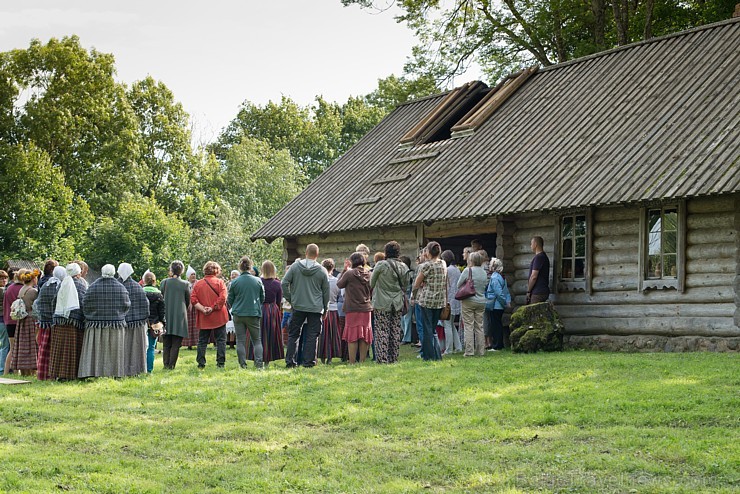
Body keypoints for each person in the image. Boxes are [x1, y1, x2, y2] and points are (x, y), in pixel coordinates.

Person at [78, 264, 131, 378]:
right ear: (113, 273)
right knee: (113, 352)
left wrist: (90, 316)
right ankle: (115, 372)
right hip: (115, 324)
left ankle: (93, 372)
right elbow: (126, 305)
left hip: (95, 324)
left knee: (96, 352)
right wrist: (120, 316)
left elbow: (85, 303)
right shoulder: (121, 287)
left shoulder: (92, 286)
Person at [282, 244, 330, 368]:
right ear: (317, 255)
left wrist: (291, 299)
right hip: (315, 307)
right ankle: (309, 362)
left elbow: (284, 283)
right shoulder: (322, 270)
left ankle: (290, 362)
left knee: (293, 334)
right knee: (312, 336)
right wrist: (326, 308)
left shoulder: (295, 267)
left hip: (298, 306)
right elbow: (326, 291)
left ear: (306, 252)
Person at [370, 241, 409, 364]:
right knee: (395, 330)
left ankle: (382, 358)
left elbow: (371, 283)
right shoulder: (404, 267)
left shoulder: (381, 265)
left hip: (381, 302)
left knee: (382, 330)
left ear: (386, 252)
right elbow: (406, 285)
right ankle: (393, 357)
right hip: (397, 301)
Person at [49, 263, 87, 380]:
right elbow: (83, 303)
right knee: (72, 350)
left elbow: (54, 302)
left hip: (59, 322)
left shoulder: (62, 284)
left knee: (59, 350)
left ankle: (57, 374)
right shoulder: (81, 285)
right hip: (74, 323)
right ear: (78, 273)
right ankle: (72, 375)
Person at [191, 261, 230, 369]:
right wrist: (213, 307)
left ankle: (201, 363)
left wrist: (203, 309)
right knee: (221, 340)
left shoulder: (198, 284)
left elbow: (193, 300)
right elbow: (223, 298)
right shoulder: (220, 282)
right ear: (216, 270)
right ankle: (220, 363)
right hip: (218, 316)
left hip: (204, 317)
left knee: (202, 341)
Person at [228, 256, 264, 369]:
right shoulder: (257, 280)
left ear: (240, 267)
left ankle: (242, 364)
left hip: (238, 313)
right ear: (250, 266)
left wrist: (235, 306)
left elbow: (230, 299)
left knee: (240, 341)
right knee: (257, 340)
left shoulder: (235, 282)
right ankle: (258, 364)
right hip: (253, 313)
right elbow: (262, 297)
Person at [338, 252, 373, 364]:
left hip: (352, 308)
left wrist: (344, 270)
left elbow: (339, 284)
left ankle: (352, 361)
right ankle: (362, 361)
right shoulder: (369, 274)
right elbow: (372, 289)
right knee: (364, 335)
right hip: (366, 308)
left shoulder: (349, 273)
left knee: (352, 335)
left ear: (352, 261)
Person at [413, 242, 446, 361]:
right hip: (439, 300)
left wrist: (414, 296)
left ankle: (428, 356)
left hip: (427, 300)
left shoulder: (426, 266)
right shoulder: (443, 263)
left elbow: (417, 283)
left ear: (428, 252)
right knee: (432, 329)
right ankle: (437, 355)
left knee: (427, 330)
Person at [35, 266, 66, 380]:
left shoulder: (46, 285)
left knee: (44, 351)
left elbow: (39, 303)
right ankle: (53, 375)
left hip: (44, 323)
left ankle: (42, 374)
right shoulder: (60, 286)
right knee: (54, 350)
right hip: (55, 323)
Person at [118, 263, 149, 376]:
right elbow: (145, 305)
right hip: (136, 323)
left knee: (121, 348)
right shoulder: (137, 287)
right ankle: (136, 370)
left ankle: (120, 370)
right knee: (135, 348)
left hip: (120, 323)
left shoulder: (117, 285)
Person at [9, 268, 40, 376]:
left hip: (22, 321)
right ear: (33, 279)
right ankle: (32, 371)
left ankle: (24, 372)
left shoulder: (22, 289)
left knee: (22, 345)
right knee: (31, 345)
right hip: (31, 320)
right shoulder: (33, 291)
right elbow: (35, 307)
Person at [458, 251, 489, 357]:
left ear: (471, 260)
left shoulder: (468, 270)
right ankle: (481, 351)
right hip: (481, 301)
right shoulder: (484, 272)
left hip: (469, 301)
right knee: (479, 326)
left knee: (468, 326)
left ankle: (469, 351)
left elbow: (459, 284)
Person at [160, 261, 189, 369]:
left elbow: (161, 296)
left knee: (166, 342)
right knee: (176, 343)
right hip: (179, 316)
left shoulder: (164, 282)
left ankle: (166, 364)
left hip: (166, 314)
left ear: (171, 269)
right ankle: (171, 365)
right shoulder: (185, 284)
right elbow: (187, 301)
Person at [257, 260, 284, 365]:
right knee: (271, 334)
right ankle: (268, 359)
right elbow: (279, 301)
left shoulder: (258, 281)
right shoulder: (277, 283)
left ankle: (258, 357)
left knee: (259, 334)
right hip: (272, 310)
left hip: (260, 308)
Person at [319, 259, 341, 364]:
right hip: (333, 309)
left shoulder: (320, 279)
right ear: (332, 268)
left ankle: (322, 356)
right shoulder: (336, 281)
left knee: (323, 333)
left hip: (322, 309)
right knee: (332, 334)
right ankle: (330, 357)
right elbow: (339, 295)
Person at [486, 258, 511, 351]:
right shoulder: (502, 277)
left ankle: (497, 345)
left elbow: (498, 293)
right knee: (498, 324)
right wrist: (507, 301)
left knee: (495, 325)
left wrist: (503, 302)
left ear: (493, 266)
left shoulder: (494, 277)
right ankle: (499, 344)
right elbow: (506, 291)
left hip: (495, 305)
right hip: (499, 306)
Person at [143, 271, 165, 374]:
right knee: (151, 347)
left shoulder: (141, 293)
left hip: (142, 323)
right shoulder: (159, 295)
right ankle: (149, 370)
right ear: (154, 281)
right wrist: (163, 323)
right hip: (155, 324)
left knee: (142, 347)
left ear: (144, 281)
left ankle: (141, 368)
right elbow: (162, 312)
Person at [2, 269, 22, 374]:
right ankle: (14, 371)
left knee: (12, 348)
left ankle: (7, 371)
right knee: (16, 348)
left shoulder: (9, 288)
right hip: (17, 321)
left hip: (8, 321)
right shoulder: (22, 289)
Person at [527, 236, 551, 304]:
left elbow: (534, 276)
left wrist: (529, 291)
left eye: (531, 243)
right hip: (541, 291)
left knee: (534, 314)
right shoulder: (543, 257)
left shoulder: (539, 257)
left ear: (535, 244)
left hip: (538, 292)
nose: (530, 246)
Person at [182, 266, 199, 349]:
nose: (193, 276)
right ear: (188, 276)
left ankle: (198, 342)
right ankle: (189, 344)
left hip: (197, 307)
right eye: (191, 274)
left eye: (194, 274)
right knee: (188, 326)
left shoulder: (198, 284)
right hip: (188, 308)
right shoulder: (185, 284)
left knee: (197, 326)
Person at [398, 256, 414, 345]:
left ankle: (407, 338)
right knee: (402, 318)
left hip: (408, 296)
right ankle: (404, 335)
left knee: (407, 318)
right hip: (402, 296)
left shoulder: (410, 273)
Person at [0, 270, 9, 375]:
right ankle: (2, 369)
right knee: (5, 346)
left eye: (5, 278)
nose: (4, 280)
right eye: (1, 278)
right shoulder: (2, 290)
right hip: (2, 319)